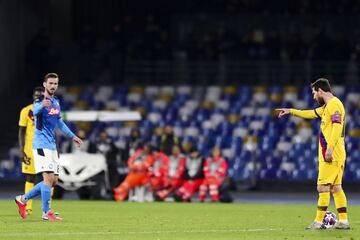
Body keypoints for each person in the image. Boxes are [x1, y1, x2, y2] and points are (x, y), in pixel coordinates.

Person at [276, 78, 349, 230]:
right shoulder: (328, 106)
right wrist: (291, 111)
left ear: (321, 91)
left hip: (331, 153)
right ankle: (343, 221)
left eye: (314, 93)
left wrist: (329, 149)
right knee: (336, 188)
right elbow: (310, 113)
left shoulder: (334, 105)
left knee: (322, 187)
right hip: (336, 152)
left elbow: (337, 127)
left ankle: (318, 222)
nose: (314, 96)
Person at [15, 73, 83, 221]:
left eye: (55, 83)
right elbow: (35, 111)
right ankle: (46, 212)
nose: (53, 86)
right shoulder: (39, 100)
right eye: (51, 83)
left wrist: (73, 136)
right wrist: (41, 106)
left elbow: (60, 123)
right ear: (45, 84)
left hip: (52, 146)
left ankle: (22, 199)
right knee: (47, 178)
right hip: (40, 145)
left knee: (54, 180)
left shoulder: (56, 102)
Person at [18, 86, 44, 215]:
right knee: (30, 177)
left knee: (50, 178)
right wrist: (21, 150)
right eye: (36, 95)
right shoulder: (26, 111)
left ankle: (47, 209)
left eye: (40, 95)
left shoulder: (48, 110)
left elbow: (54, 129)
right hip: (30, 149)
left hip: (45, 148)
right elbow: (22, 131)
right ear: (33, 96)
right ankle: (27, 206)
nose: (38, 97)